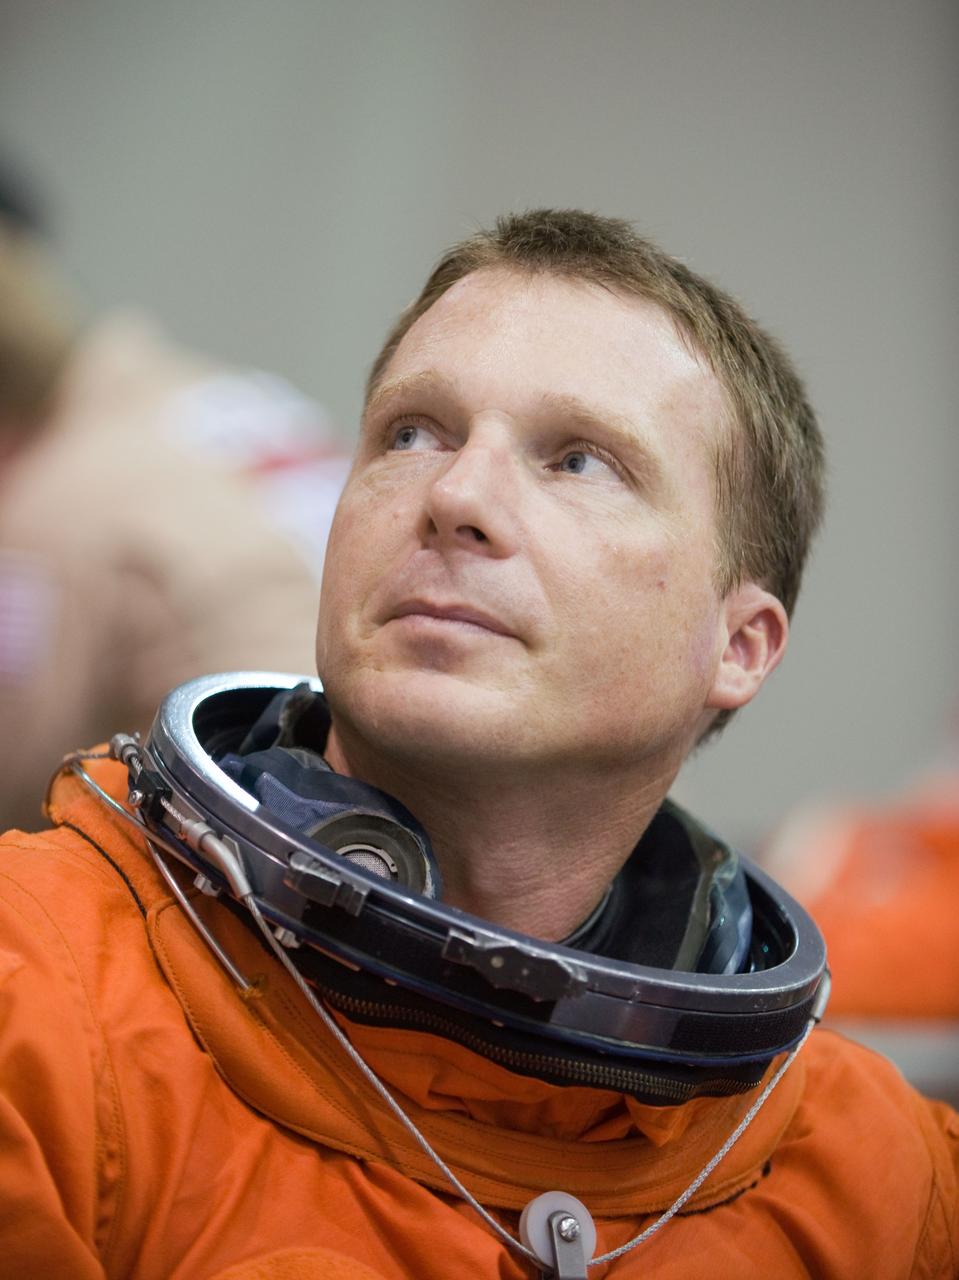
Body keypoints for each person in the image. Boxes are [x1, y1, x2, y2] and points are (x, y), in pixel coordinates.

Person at [1, 209, 956, 1279]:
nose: (454, 497)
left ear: (736, 644)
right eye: (411, 432)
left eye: (576, 460)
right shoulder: (33, 1000)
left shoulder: (887, 1189)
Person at [0, 169, 350, 831]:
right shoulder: (226, 395)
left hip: (262, 843)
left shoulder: (47, 515)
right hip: (380, 802)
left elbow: (13, 792)